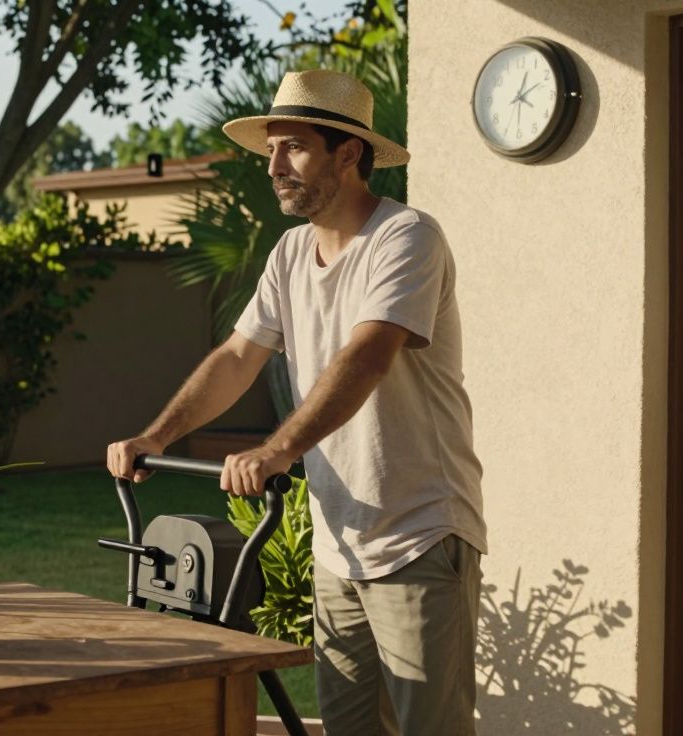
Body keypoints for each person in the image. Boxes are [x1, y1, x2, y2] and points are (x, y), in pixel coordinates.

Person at [106, 69, 486, 736]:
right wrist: (156, 437)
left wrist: (278, 448)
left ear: (349, 153)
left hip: (420, 533)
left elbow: (368, 354)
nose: (275, 165)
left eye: (295, 148)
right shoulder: (288, 253)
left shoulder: (406, 238)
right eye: (272, 149)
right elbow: (236, 358)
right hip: (341, 546)